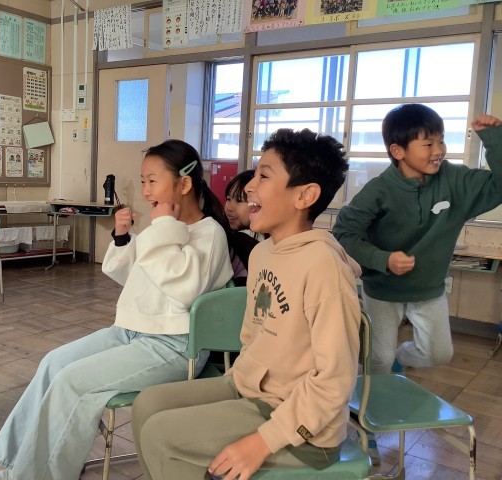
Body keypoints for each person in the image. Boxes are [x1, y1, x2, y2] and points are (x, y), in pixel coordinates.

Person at [0, 139, 233, 480]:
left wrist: (164, 227)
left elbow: (183, 291)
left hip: (175, 345)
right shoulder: (163, 229)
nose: (145, 190)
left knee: (72, 383)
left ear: (184, 184)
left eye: (153, 180)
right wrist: (123, 238)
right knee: (54, 363)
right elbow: (135, 277)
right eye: (143, 181)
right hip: (131, 332)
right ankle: (18, 461)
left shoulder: (209, 233)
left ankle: (28, 477)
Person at [131, 128, 361, 480]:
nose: (250, 186)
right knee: (146, 405)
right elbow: (253, 337)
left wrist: (262, 441)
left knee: (162, 434)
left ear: (305, 195)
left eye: (264, 176)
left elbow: (336, 381)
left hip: (304, 429)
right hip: (252, 390)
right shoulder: (263, 252)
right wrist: (235, 384)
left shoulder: (323, 266)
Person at [333, 104, 502, 466]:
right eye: (428, 143)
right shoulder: (379, 190)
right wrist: (383, 259)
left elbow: (499, 185)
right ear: (398, 151)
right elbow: (344, 233)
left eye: (441, 140)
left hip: (429, 290)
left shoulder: (454, 181)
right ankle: (367, 427)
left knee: (438, 354)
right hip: (382, 291)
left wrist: (494, 138)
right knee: (376, 361)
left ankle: (400, 358)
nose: (438, 150)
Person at [223, 169, 262, 286]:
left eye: (239, 200)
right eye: (228, 199)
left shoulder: (246, 240)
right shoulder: (237, 239)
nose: (229, 208)